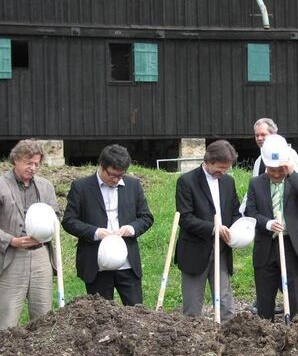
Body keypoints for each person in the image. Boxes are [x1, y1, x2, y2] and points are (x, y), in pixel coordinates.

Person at [62, 144, 154, 306]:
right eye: (112, 175)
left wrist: (131, 229)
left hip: (127, 263)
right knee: (101, 315)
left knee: (136, 313)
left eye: (120, 176)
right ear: (101, 166)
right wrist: (96, 232)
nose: (116, 179)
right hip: (96, 264)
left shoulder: (133, 185)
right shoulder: (81, 187)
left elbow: (146, 217)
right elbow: (69, 221)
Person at [246, 134, 298, 320]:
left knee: (294, 292)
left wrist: (292, 174)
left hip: (292, 244)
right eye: (271, 170)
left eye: (280, 169)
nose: (276, 174)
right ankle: (265, 325)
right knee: (265, 291)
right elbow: (250, 212)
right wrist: (267, 223)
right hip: (266, 244)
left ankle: (296, 323)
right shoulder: (256, 183)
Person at [175, 139, 242, 321]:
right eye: (220, 167)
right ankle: (192, 341)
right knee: (192, 305)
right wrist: (213, 229)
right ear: (208, 161)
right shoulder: (186, 181)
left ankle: (229, 338)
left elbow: (235, 211)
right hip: (195, 250)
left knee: (225, 301)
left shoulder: (228, 182)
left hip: (221, 247)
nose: (223, 171)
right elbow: (185, 218)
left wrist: (236, 229)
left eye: (227, 167)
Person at [0, 140, 59, 330]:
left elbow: (55, 215)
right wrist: (12, 240)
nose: (33, 168)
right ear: (16, 159)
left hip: (41, 254)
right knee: (7, 316)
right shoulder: (1, 185)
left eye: (36, 164)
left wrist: (47, 231)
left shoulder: (46, 186)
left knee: (43, 316)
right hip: (11, 256)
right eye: (28, 163)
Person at [240, 118, 298, 215]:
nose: (259, 138)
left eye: (263, 135)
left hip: (286, 210)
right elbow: (253, 189)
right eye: (257, 135)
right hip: (264, 213)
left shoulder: (289, 154)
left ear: (274, 135)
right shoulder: (258, 161)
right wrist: (242, 212)